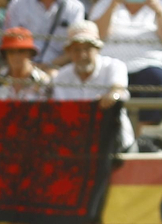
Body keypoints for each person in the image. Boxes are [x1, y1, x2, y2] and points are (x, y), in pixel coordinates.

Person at [50, 19, 132, 151]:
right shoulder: (61, 77)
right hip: (76, 147)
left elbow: (118, 89)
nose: (82, 55)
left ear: (98, 49)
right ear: (69, 52)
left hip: (116, 146)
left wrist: (112, 96)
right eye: (76, 50)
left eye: (87, 48)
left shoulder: (114, 66)